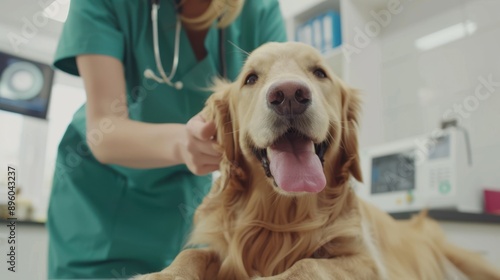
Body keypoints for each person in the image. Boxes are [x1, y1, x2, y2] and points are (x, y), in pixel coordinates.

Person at [47, 0, 286, 278]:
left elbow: (276, 120)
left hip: (185, 197)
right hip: (98, 197)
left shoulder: (259, 9)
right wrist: (184, 144)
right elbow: (104, 128)